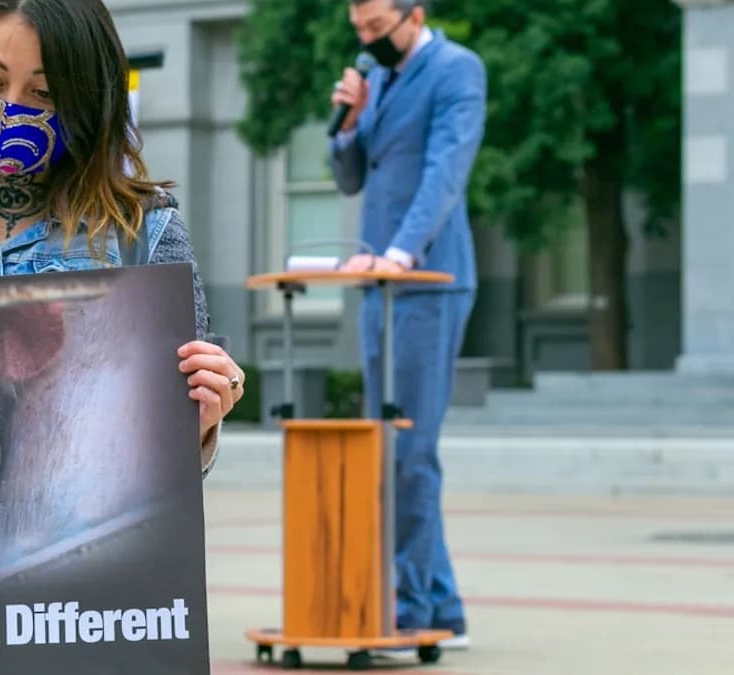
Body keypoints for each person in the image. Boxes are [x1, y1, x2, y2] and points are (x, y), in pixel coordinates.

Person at [0, 0, 244, 475]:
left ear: (89, 99)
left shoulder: (146, 236)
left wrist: (201, 423)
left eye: (43, 92)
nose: (9, 108)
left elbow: (169, 474)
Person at [327, 0, 486, 652]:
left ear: (413, 14)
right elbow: (349, 178)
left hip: (427, 281)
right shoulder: (380, 79)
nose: (367, 40)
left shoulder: (456, 69)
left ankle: (412, 610)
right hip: (380, 287)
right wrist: (347, 125)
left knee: (409, 450)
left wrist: (399, 253)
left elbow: (446, 171)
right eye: (359, 30)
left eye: (376, 28)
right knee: (390, 448)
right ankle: (443, 605)